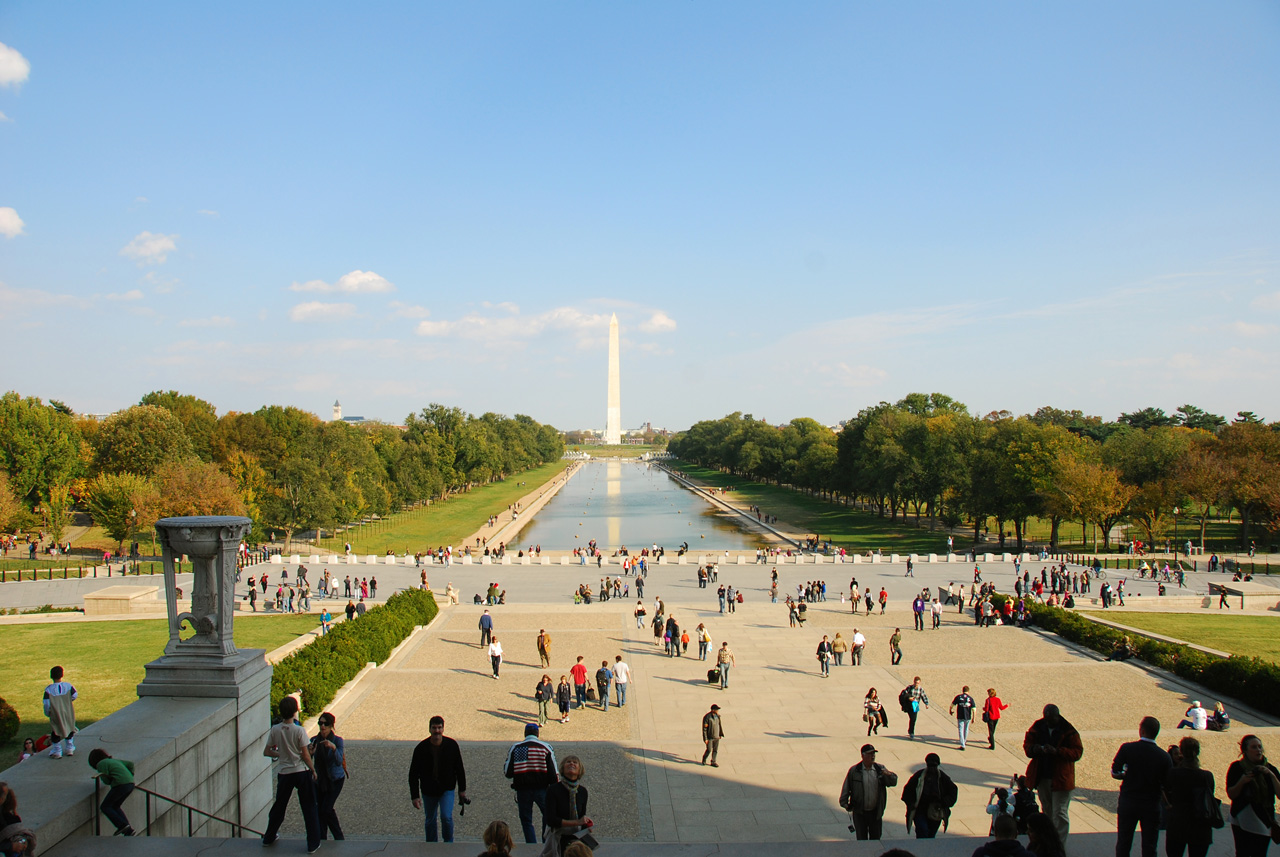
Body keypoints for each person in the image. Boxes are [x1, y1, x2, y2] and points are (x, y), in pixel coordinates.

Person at [262, 695, 321, 852]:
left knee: (279, 806)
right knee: (309, 807)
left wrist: (280, 754)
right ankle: (313, 843)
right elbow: (305, 754)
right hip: (301, 771)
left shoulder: (275, 730)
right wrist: (313, 769)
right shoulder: (299, 730)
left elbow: (267, 751)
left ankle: (269, 836)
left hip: (284, 772)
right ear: (295, 711)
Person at [1112, 716, 1173, 857]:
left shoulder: (1127, 748)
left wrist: (1124, 775)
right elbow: (1167, 783)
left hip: (1129, 801)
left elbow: (1115, 771)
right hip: (1151, 804)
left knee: (1123, 842)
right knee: (1150, 845)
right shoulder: (1164, 757)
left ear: (1142, 730)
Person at [1023, 703, 1084, 846]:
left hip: (1061, 779)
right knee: (1047, 811)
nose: (1048, 722)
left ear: (1058, 716)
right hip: (1043, 776)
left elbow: (1077, 752)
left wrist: (1058, 751)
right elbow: (1027, 747)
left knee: (1060, 813)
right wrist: (1036, 749)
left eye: (1051, 719)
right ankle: (1049, 843)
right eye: (1046, 719)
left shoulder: (1068, 730)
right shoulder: (1038, 727)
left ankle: (1059, 846)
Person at [409, 715, 468, 843]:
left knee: (446, 817)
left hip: (446, 788)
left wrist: (462, 790)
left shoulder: (452, 746)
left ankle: (448, 843)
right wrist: (415, 796)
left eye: (439, 728)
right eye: (434, 728)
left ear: (443, 729)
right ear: (429, 729)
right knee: (430, 819)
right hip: (428, 790)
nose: (437, 731)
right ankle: (431, 845)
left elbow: (459, 769)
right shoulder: (420, 749)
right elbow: (413, 774)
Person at [1226, 734, 1280, 857]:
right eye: (1254, 747)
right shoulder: (1237, 767)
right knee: (1242, 852)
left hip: (1263, 817)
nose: (1258, 750)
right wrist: (1242, 781)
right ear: (1245, 750)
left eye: (1260, 747)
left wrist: (1271, 775)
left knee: (1260, 853)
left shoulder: (1270, 769)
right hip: (1241, 817)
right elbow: (1231, 794)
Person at [504, 722, 559, 844]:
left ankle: (531, 844)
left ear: (525, 733)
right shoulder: (545, 747)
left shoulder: (516, 748)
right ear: (537, 733)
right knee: (547, 815)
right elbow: (554, 772)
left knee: (526, 819)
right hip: (542, 789)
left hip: (523, 790)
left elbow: (508, 772)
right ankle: (545, 842)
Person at [1164, 736, 1217, 857]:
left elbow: (1167, 791)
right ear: (1197, 752)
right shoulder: (1207, 776)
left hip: (1178, 822)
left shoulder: (1174, 773)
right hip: (1201, 825)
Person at [839, 744, 899, 840]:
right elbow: (846, 787)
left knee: (876, 838)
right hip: (860, 812)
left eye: (874, 754)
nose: (873, 756)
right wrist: (845, 803)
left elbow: (893, 782)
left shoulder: (880, 769)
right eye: (870, 754)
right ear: (862, 756)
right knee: (861, 839)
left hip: (875, 813)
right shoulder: (854, 771)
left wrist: (889, 775)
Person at [901, 752, 958, 838]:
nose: (932, 769)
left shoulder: (942, 778)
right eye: (930, 766)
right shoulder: (919, 776)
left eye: (934, 766)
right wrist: (911, 803)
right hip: (920, 810)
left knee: (931, 835)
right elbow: (907, 791)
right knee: (922, 831)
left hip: (935, 811)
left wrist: (944, 802)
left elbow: (953, 790)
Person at [310, 712, 347, 841]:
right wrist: (310, 753)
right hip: (320, 781)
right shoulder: (314, 740)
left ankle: (339, 837)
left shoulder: (338, 741)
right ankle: (322, 838)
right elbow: (308, 761)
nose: (323, 726)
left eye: (325, 724)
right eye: (320, 723)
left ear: (331, 726)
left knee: (326, 809)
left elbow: (338, 761)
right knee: (321, 809)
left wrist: (333, 748)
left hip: (335, 780)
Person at [545, 756, 590, 856]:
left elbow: (582, 816)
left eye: (575, 762)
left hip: (576, 838)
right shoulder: (553, 790)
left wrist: (587, 825)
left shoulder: (582, 791)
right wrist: (576, 822)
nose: (571, 764)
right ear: (562, 768)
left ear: (580, 769)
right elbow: (551, 820)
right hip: (557, 837)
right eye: (568, 762)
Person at [88, 748, 136, 837]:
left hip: (120, 784)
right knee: (115, 806)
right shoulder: (113, 761)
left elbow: (106, 780)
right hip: (130, 784)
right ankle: (128, 830)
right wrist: (130, 774)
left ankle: (123, 825)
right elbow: (130, 764)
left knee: (105, 806)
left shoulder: (101, 764)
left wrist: (110, 780)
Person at [43, 666, 77, 759]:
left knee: (56, 730)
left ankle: (58, 750)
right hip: (67, 711)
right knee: (69, 726)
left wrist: (48, 712)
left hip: (55, 712)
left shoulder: (49, 689)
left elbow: (46, 703)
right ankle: (69, 748)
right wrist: (67, 702)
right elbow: (74, 695)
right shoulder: (68, 686)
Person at [951, 685, 977, 751]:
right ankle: (964, 741)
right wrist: (974, 718)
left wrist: (951, 710)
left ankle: (962, 744)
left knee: (960, 730)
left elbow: (952, 705)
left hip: (960, 715)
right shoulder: (970, 699)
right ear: (968, 691)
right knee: (966, 729)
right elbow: (974, 709)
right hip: (968, 716)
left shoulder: (958, 697)